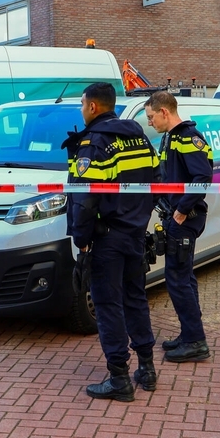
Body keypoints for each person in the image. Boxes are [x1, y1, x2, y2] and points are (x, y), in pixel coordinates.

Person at [64, 82, 160, 402]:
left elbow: (85, 200)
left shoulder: (94, 143)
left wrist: (82, 243)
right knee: (135, 300)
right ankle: (146, 368)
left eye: (82, 104)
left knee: (107, 306)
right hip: (135, 234)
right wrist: (139, 217)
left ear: (93, 107)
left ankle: (119, 378)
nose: (81, 109)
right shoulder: (137, 136)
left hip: (107, 240)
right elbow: (157, 181)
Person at [144, 91, 213, 363]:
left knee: (178, 281)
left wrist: (182, 212)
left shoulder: (188, 138)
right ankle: (189, 335)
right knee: (183, 279)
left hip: (184, 219)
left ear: (164, 112)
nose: (150, 122)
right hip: (174, 216)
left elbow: (203, 176)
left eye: (151, 117)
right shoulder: (169, 138)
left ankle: (196, 342)